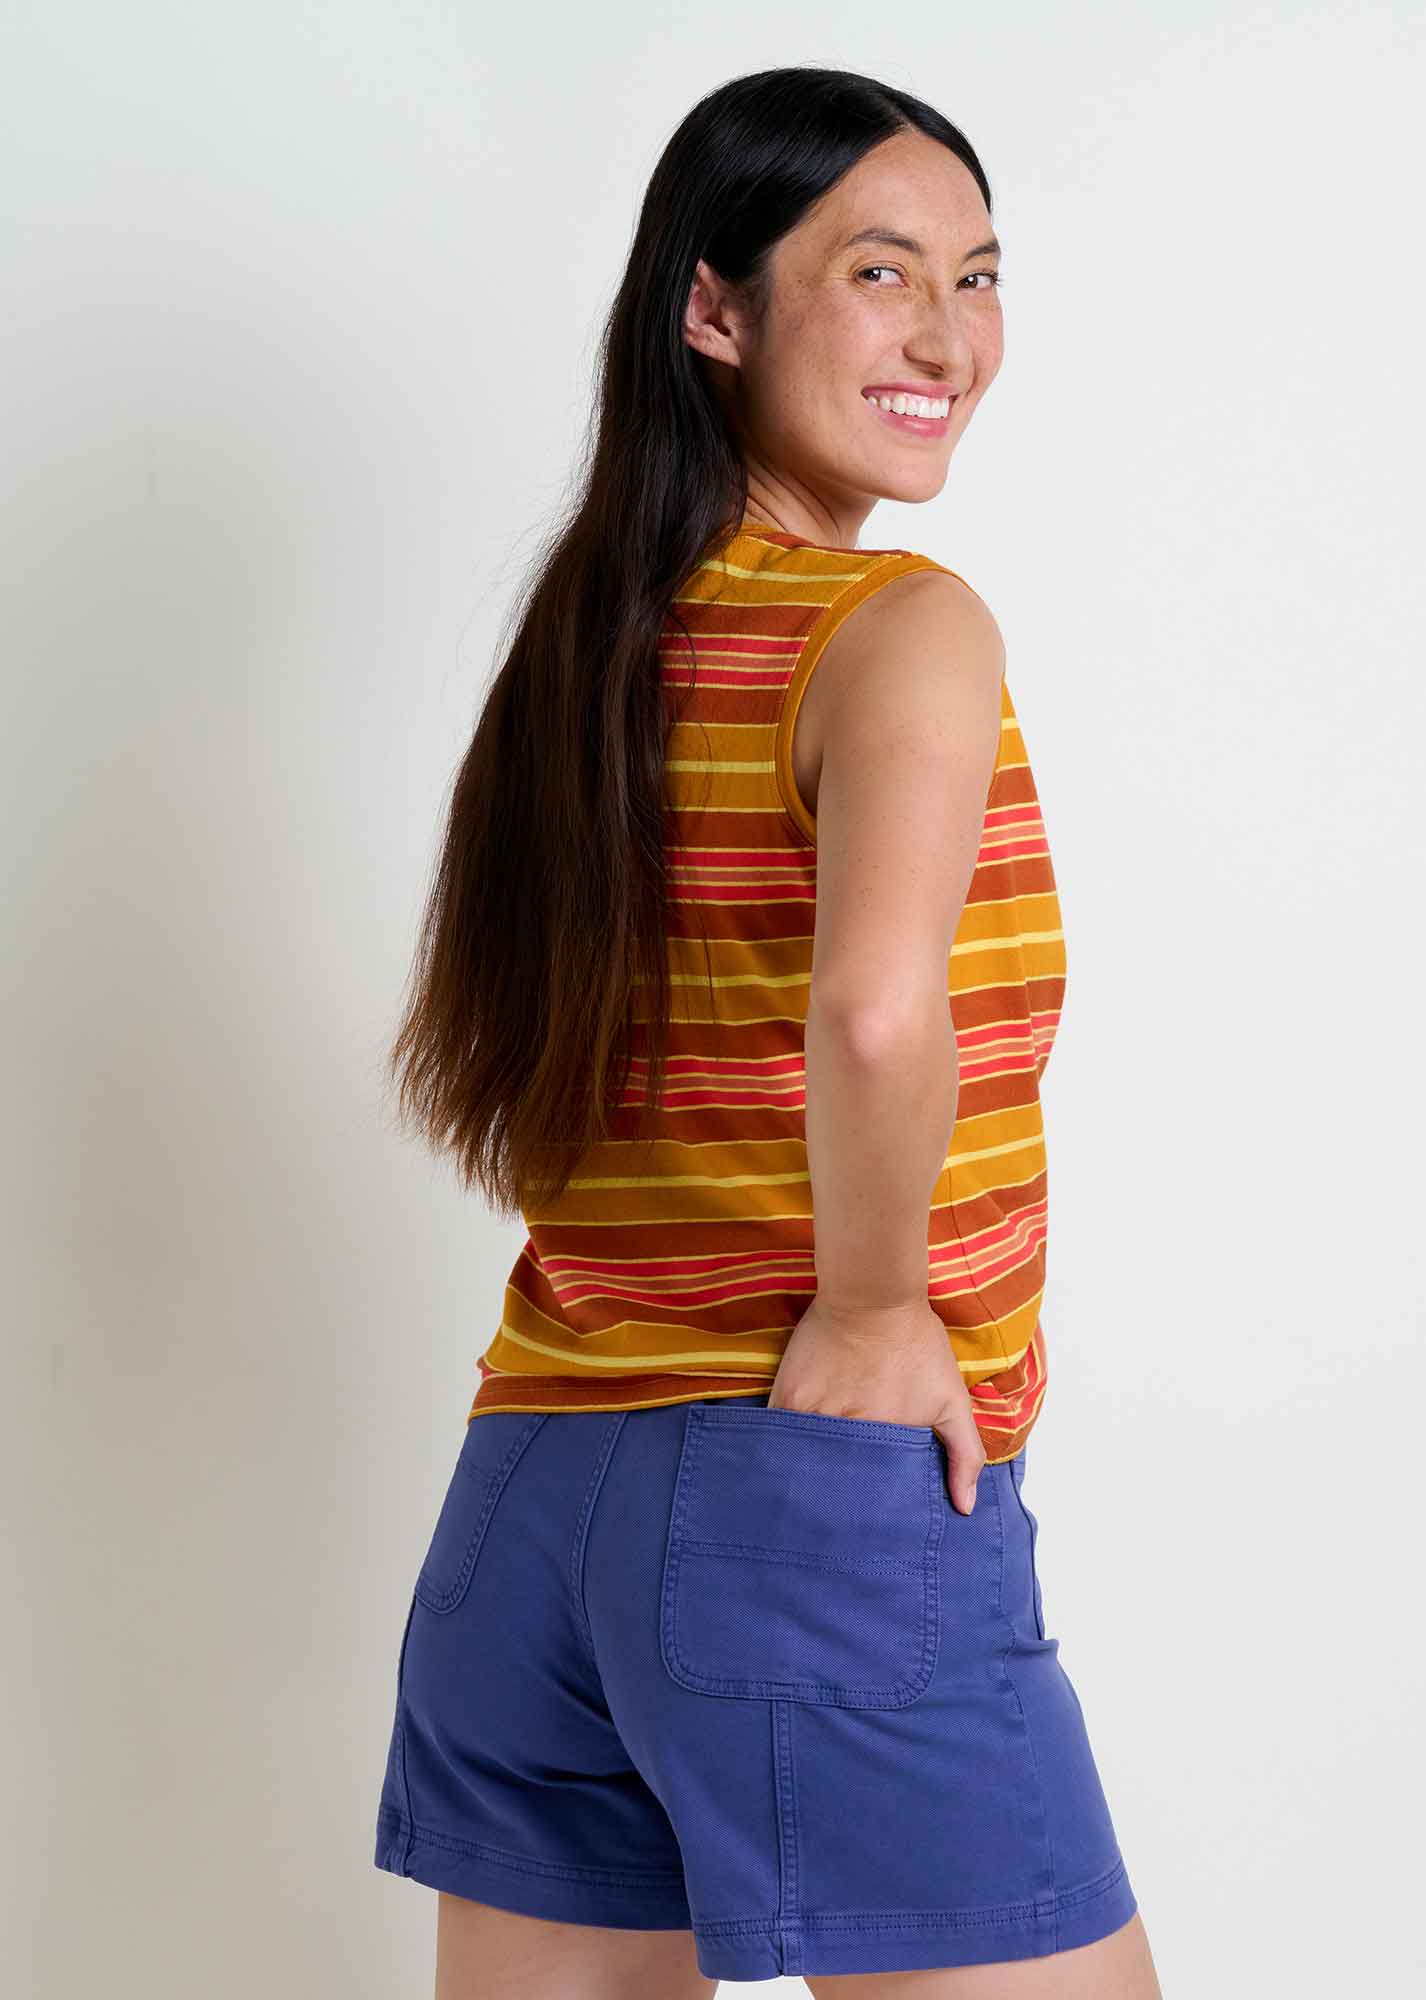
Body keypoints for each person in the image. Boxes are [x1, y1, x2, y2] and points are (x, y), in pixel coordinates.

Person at [373, 65, 1164, 1998]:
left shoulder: (578, 659)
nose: (948, 339)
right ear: (711, 309)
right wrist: (883, 1310)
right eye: (880, 273)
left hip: (532, 1499)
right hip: (802, 1484)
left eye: (979, 278)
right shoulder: (894, 626)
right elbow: (878, 1014)